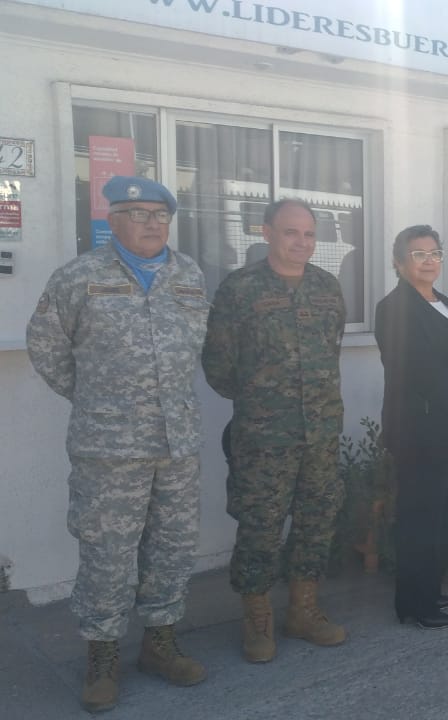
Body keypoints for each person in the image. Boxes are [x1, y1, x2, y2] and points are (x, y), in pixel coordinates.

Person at [27, 175, 208, 712]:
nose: (151, 223)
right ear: (113, 220)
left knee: (172, 546)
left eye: (160, 215)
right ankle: (102, 656)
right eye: (138, 214)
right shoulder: (79, 276)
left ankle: (160, 644)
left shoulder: (189, 274)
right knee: (107, 552)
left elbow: (194, 344)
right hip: (108, 447)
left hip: (177, 443)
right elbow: (46, 347)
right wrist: (96, 400)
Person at [202, 198, 347, 663]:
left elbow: (331, 349)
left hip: (320, 432)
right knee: (260, 526)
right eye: (290, 232)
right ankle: (257, 617)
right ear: (266, 233)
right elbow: (217, 364)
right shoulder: (240, 289)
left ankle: (303, 610)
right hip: (264, 437)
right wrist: (261, 401)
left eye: (308, 234)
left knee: (316, 521)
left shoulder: (327, 287)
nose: (301, 242)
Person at [375, 225, 448, 629]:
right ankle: (414, 602)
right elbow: (417, 370)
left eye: (434, 253)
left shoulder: (442, 302)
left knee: (445, 514)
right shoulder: (393, 309)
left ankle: (430, 587)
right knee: (420, 516)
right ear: (398, 262)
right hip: (421, 430)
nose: (429, 261)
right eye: (418, 254)